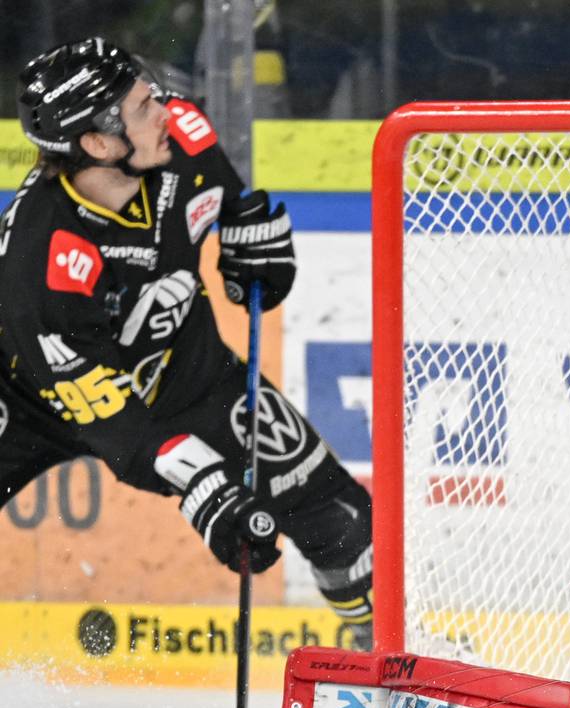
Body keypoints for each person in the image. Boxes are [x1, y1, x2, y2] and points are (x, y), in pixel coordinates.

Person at [0, 37, 373, 649]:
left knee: (339, 515)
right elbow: (112, 420)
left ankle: (383, 651)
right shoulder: (38, 264)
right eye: (145, 107)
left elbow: (231, 206)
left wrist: (254, 240)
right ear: (98, 144)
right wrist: (208, 488)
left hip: (183, 373)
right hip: (30, 399)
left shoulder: (184, 143)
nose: (166, 110)